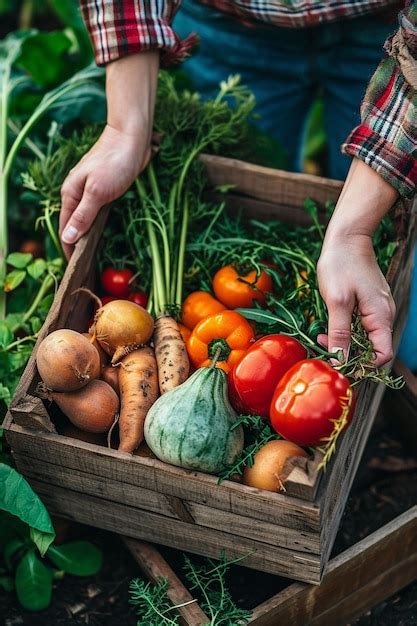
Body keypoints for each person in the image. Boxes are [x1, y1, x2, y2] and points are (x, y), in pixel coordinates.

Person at [60, 0, 417, 367]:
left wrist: (353, 231)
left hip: (391, 27)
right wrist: (125, 127)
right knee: (245, 185)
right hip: (231, 25)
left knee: (394, 295)